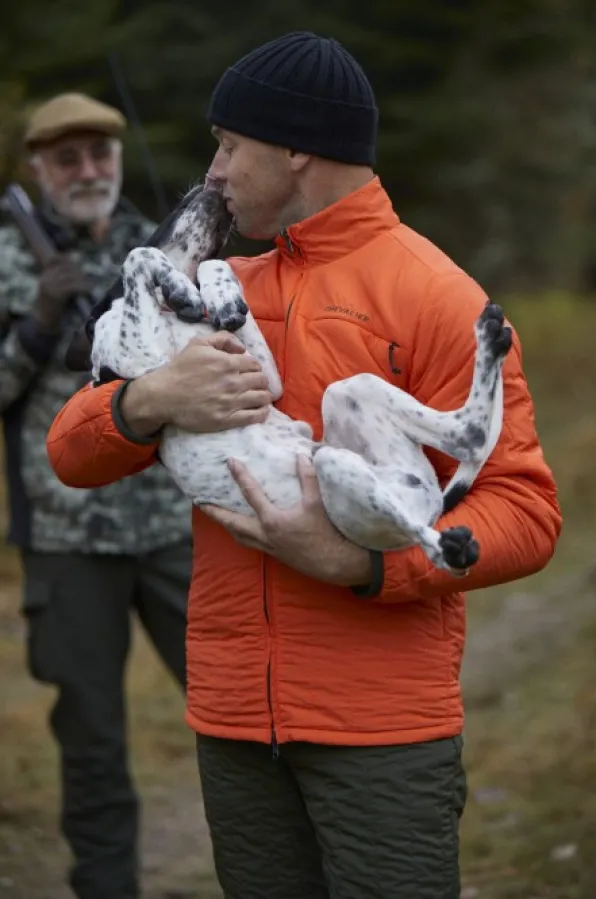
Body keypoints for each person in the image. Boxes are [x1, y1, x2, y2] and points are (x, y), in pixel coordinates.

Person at [46, 35, 562, 899]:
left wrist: (364, 565)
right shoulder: (221, 285)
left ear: (295, 149)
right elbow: (70, 452)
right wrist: (149, 399)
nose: (213, 171)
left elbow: (526, 511)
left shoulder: (438, 295)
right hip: (234, 724)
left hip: (382, 729)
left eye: (228, 145)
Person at [0, 93, 193, 899]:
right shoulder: (7, 257)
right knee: (92, 741)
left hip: (176, 521)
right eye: (67, 158)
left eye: (100, 154)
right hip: (67, 536)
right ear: (38, 167)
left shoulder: (164, 244)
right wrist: (40, 322)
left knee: (244, 703)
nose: (88, 171)